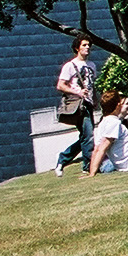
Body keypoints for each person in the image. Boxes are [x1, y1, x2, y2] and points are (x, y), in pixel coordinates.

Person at [54, 34, 98, 177]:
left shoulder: (92, 65)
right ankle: (87, 166)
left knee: (86, 136)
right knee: (88, 135)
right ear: (77, 48)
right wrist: (77, 92)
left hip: (89, 104)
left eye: (88, 45)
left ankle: (63, 158)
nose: (87, 48)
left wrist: (95, 100)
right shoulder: (70, 66)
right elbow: (60, 85)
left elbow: (92, 85)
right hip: (78, 105)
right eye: (84, 45)